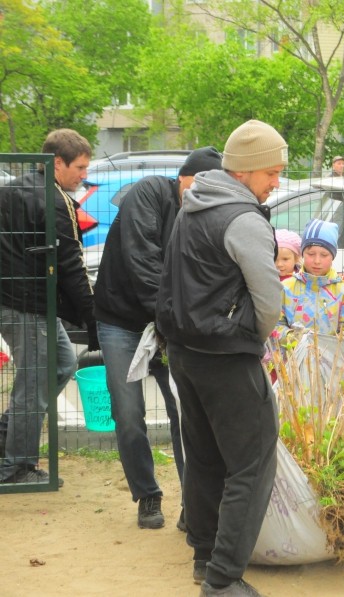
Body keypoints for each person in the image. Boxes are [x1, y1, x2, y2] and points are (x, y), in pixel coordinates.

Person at [157, 119, 286, 596]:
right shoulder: (243, 220)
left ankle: (204, 556)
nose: (276, 182)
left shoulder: (192, 206)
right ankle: (224, 579)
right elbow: (269, 300)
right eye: (271, 173)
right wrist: (253, 337)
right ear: (245, 171)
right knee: (251, 463)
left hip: (185, 353)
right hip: (228, 356)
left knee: (205, 456)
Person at [92, 146, 223, 530]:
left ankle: (193, 505)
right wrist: (169, 319)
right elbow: (143, 259)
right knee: (128, 415)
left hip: (168, 324)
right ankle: (147, 494)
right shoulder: (149, 192)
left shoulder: (203, 215)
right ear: (182, 177)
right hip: (122, 322)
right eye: (198, 182)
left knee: (186, 414)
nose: (202, 191)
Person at [0, 128, 99, 485]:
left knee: (63, 364)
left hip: (20, 303)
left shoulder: (12, 190)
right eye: (80, 167)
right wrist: (92, 319)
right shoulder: (55, 200)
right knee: (34, 385)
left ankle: (6, 435)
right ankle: (16, 467)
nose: (84, 175)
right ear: (57, 163)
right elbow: (72, 266)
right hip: (29, 307)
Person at [274, 219, 344, 341]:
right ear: (302, 254)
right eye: (311, 254)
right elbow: (275, 326)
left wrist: (326, 345)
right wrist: (296, 339)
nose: (317, 261)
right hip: (292, 353)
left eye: (324, 255)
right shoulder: (285, 289)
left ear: (332, 256)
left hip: (331, 353)